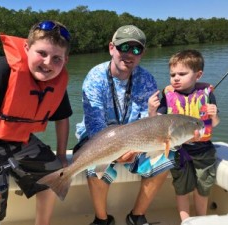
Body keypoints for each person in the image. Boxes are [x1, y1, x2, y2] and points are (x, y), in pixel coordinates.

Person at [0, 20, 72, 225]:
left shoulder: (56, 81)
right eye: (42, 53)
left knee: (55, 176)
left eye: (56, 58)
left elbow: (62, 119)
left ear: (65, 60)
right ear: (26, 48)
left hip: (16, 138)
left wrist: (61, 155)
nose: (48, 63)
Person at [75, 25, 176, 225]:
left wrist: (134, 150)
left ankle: (136, 216)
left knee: (166, 159)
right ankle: (102, 219)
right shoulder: (95, 78)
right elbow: (95, 125)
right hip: (100, 138)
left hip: (136, 139)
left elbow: (149, 122)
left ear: (142, 54)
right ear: (112, 48)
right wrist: (118, 152)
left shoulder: (146, 79)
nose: (130, 54)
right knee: (93, 168)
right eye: (124, 47)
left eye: (136, 50)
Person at [148, 49, 220, 221]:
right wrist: (152, 110)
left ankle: (201, 220)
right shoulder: (167, 95)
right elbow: (156, 123)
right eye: (172, 74)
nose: (176, 78)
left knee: (203, 187)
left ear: (198, 74)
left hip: (203, 150)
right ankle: (186, 221)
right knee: (182, 188)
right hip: (178, 150)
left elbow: (214, 124)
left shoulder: (207, 94)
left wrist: (214, 114)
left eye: (182, 73)